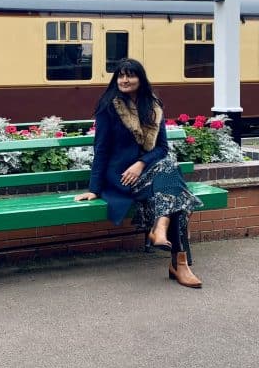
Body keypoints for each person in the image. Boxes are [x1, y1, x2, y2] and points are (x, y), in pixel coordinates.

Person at [74, 58, 203, 288]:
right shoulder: (109, 106)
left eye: (130, 75)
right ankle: (179, 262)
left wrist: (141, 163)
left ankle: (162, 232)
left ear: (140, 79)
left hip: (149, 173)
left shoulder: (153, 106)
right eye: (120, 75)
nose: (125, 80)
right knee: (175, 185)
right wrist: (94, 189)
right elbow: (101, 149)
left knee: (171, 179)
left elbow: (162, 147)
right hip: (121, 177)